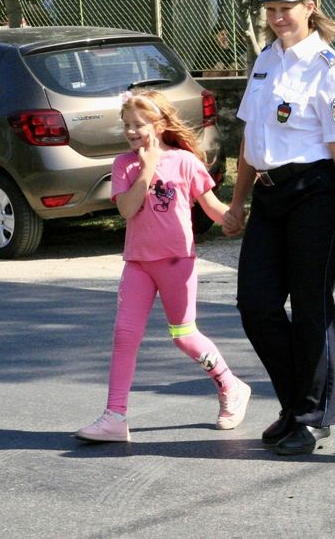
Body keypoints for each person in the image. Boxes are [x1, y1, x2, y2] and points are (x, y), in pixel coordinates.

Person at [223, 0, 335, 456]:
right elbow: (252, 137)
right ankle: (295, 403)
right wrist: (237, 202)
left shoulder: (328, 68)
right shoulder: (266, 60)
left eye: (285, 7)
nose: (276, 16)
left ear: (310, 8)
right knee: (256, 304)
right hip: (270, 195)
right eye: (270, 7)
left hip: (315, 192)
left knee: (311, 308)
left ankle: (311, 417)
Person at [75, 89, 251, 442]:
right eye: (126, 125)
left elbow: (212, 207)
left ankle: (231, 387)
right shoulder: (124, 165)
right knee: (125, 336)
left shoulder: (185, 162)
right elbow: (127, 209)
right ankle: (115, 416)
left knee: (184, 336)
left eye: (138, 124)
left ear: (159, 123)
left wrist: (234, 219)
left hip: (176, 263)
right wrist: (148, 167)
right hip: (138, 264)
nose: (131, 131)